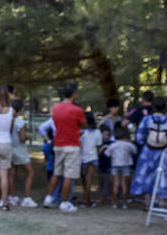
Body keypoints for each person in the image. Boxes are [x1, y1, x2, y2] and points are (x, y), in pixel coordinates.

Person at [43, 81, 86, 211]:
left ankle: (49, 198)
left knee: (56, 173)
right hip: (71, 145)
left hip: (59, 144)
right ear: (74, 94)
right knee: (68, 174)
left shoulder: (56, 108)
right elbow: (84, 125)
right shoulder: (77, 110)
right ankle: (65, 201)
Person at [129, 97, 167, 202]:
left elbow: (139, 137)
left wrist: (144, 143)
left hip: (148, 151)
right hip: (164, 152)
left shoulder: (147, 119)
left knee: (146, 175)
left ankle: (147, 203)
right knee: (162, 176)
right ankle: (161, 203)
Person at [10, 98, 37, 207]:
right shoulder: (20, 122)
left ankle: (12, 196)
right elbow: (22, 138)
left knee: (12, 173)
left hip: (10, 148)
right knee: (30, 172)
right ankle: (27, 197)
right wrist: (29, 136)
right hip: (20, 150)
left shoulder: (8, 121)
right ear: (20, 110)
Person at [104, 125, 137, 208]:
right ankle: (125, 203)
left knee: (115, 184)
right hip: (126, 165)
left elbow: (107, 154)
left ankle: (114, 202)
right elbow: (134, 151)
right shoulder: (128, 145)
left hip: (115, 165)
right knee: (124, 184)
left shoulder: (113, 145)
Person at [77, 109, 102, 207]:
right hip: (93, 157)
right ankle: (88, 199)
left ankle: (85, 199)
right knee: (88, 179)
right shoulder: (97, 132)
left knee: (85, 179)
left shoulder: (81, 132)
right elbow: (98, 146)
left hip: (83, 157)